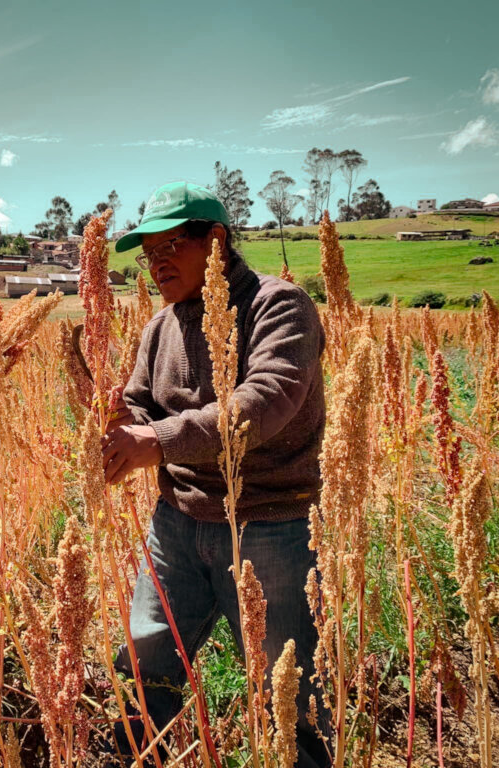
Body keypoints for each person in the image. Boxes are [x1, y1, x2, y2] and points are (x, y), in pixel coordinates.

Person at [100, 182, 332, 767]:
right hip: (176, 526)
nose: (157, 263)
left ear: (218, 240)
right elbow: (140, 404)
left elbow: (266, 400)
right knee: (143, 667)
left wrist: (155, 440)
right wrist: (118, 420)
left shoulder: (279, 306)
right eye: (148, 252)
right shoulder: (162, 327)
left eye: (172, 244)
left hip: (270, 529)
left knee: (290, 693)